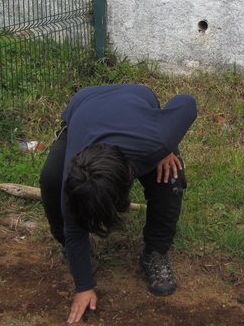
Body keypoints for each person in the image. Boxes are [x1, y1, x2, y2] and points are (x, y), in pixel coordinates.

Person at [39, 83, 197, 323]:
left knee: (170, 178)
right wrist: (83, 286)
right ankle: (71, 252)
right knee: (49, 179)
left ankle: (155, 252)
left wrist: (167, 144)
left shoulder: (154, 141)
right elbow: (74, 228)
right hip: (84, 106)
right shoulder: (74, 175)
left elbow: (187, 100)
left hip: (136, 100)